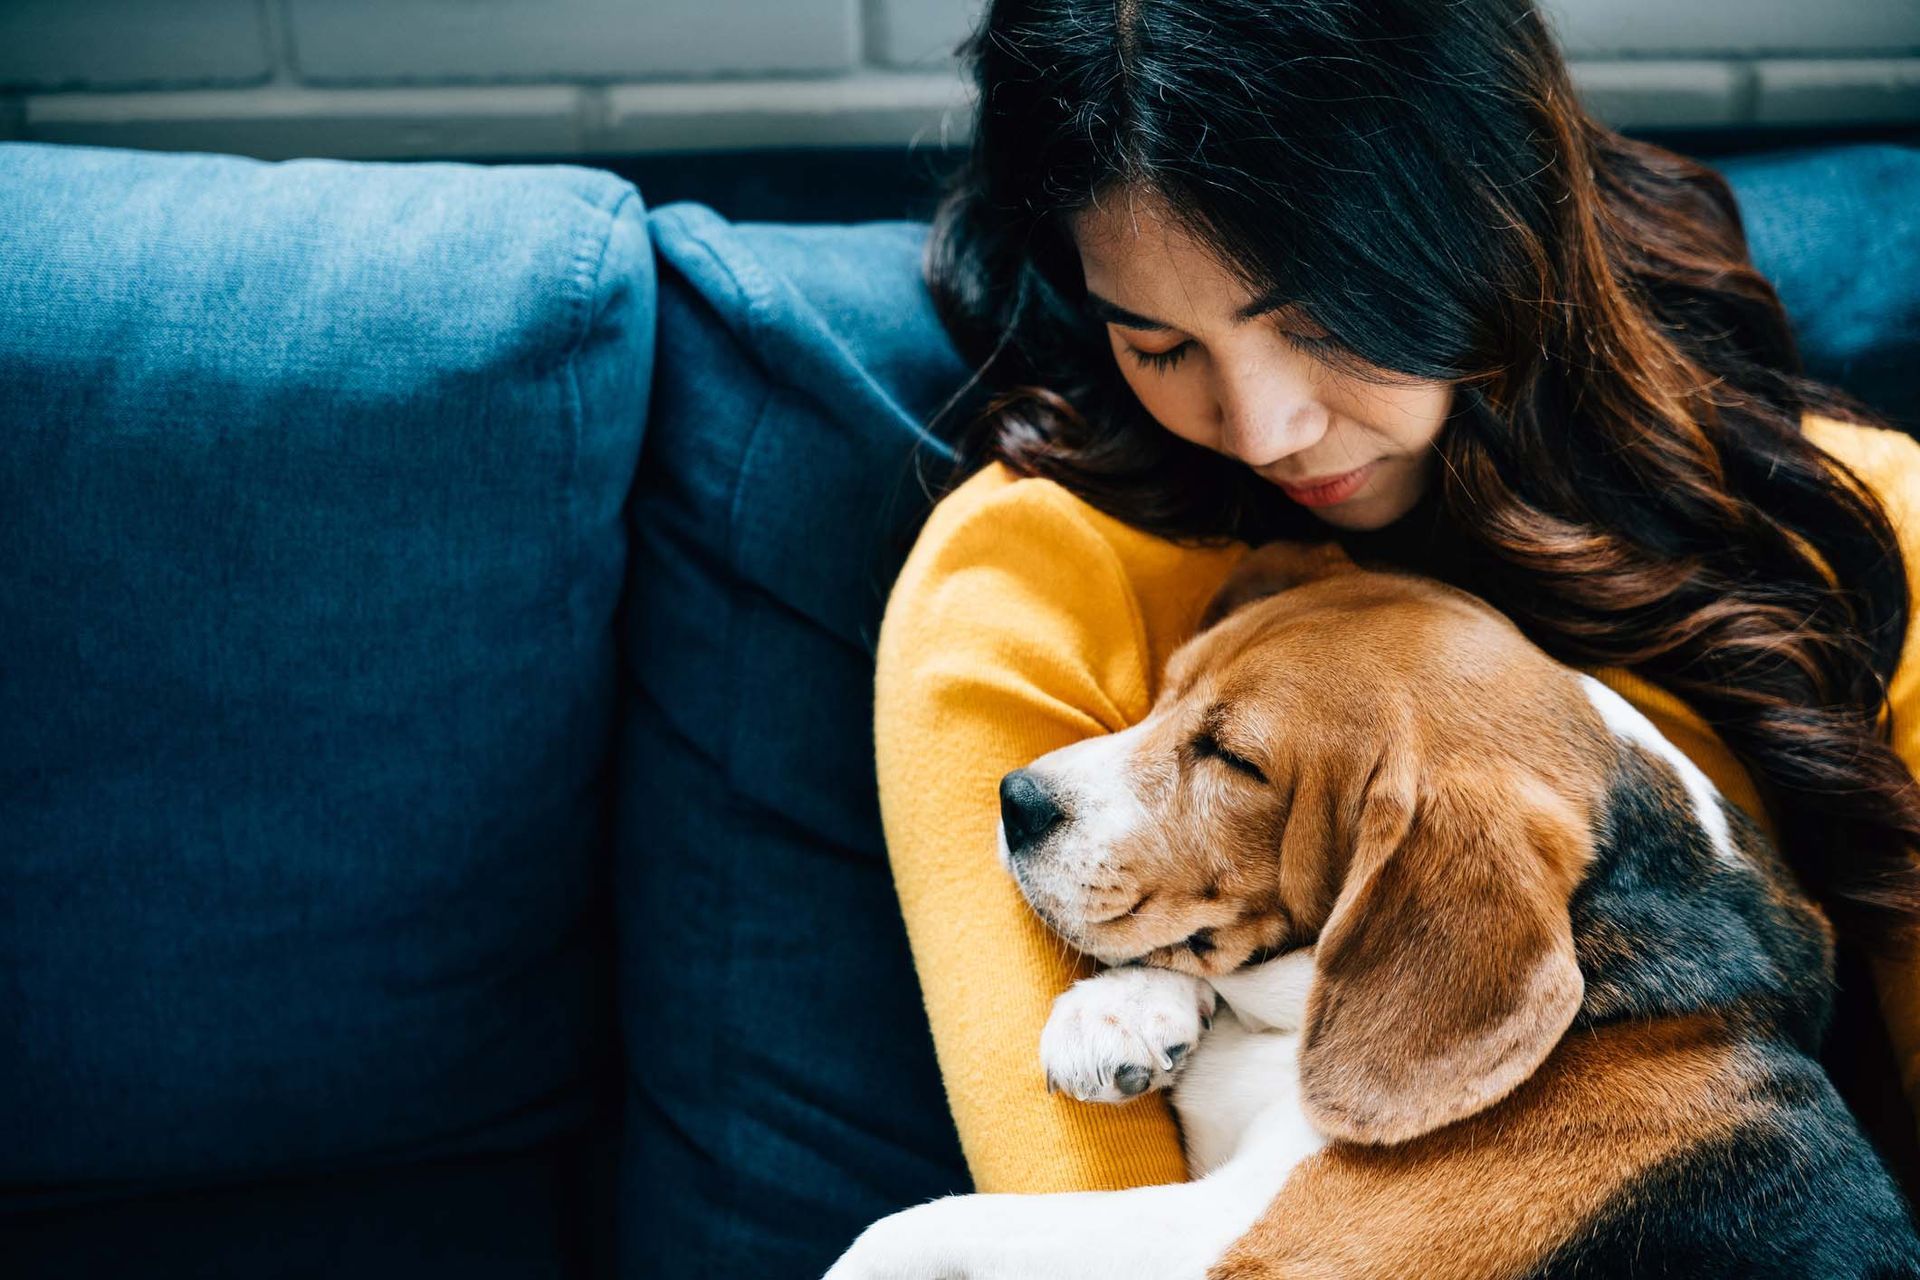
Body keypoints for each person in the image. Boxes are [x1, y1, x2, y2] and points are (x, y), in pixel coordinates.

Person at [872, 0, 1920, 1200]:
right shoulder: (1027, 583)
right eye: (1158, 344)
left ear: (1489, 208)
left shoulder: (1860, 530)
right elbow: (1079, 1198)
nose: (1265, 428)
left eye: (1321, 316)